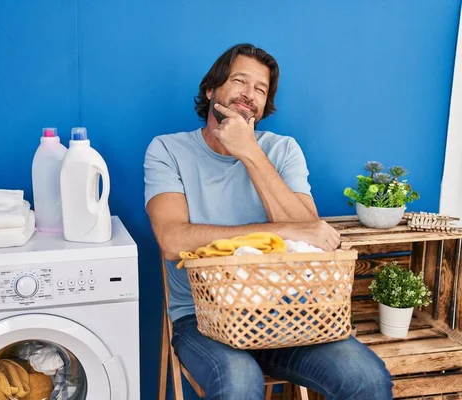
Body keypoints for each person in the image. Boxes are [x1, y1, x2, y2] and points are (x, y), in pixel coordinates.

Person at [143, 43, 393, 400]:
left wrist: (249, 151)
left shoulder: (282, 150)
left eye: (260, 89)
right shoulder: (168, 150)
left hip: (289, 317)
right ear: (211, 89)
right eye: (239, 81)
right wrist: (279, 231)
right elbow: (172, 240)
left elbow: (312, 237)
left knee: (366, 377)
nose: (249, 94)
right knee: (238, 380)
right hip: (203, 321)